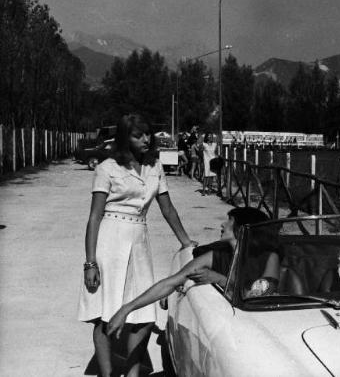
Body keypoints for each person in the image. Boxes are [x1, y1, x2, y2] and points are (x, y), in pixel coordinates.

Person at [78, 114, 196, 377]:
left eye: (147, 134)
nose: (145, 139)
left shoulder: (155, 166)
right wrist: (90, 262)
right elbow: (95, 216)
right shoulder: (107, 167)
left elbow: (167, 208)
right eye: (137, 135)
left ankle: (132, 374)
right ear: (123, 138)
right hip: (110, 241)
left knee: (145, 314)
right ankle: (106, 374)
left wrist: (186, 241)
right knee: (104, 314)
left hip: (139, 241)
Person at [106, 207, 280, 339]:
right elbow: (170, 282)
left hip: (260, 328)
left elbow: (258, 296)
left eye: (229, 220)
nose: (223, 224)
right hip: (225, 329)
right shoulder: (215, 256)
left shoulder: (268, 257)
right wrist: (126, 309)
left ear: (241, 228)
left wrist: (221, 279)